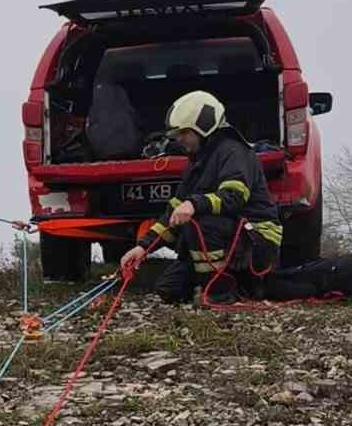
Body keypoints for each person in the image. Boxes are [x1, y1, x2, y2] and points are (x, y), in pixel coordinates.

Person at [120, 89, 283, 304]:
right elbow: (172, 217)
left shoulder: (233, 152)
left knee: (202, 222)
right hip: (231, 237)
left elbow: (234, 197)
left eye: (184, 133)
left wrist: (194, 204)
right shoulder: (197, 162)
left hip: (256, 241)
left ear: (204, 127)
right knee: (169, 289)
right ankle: (231, 286)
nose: (179, 140)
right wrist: (143, 248)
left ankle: (220, 294)